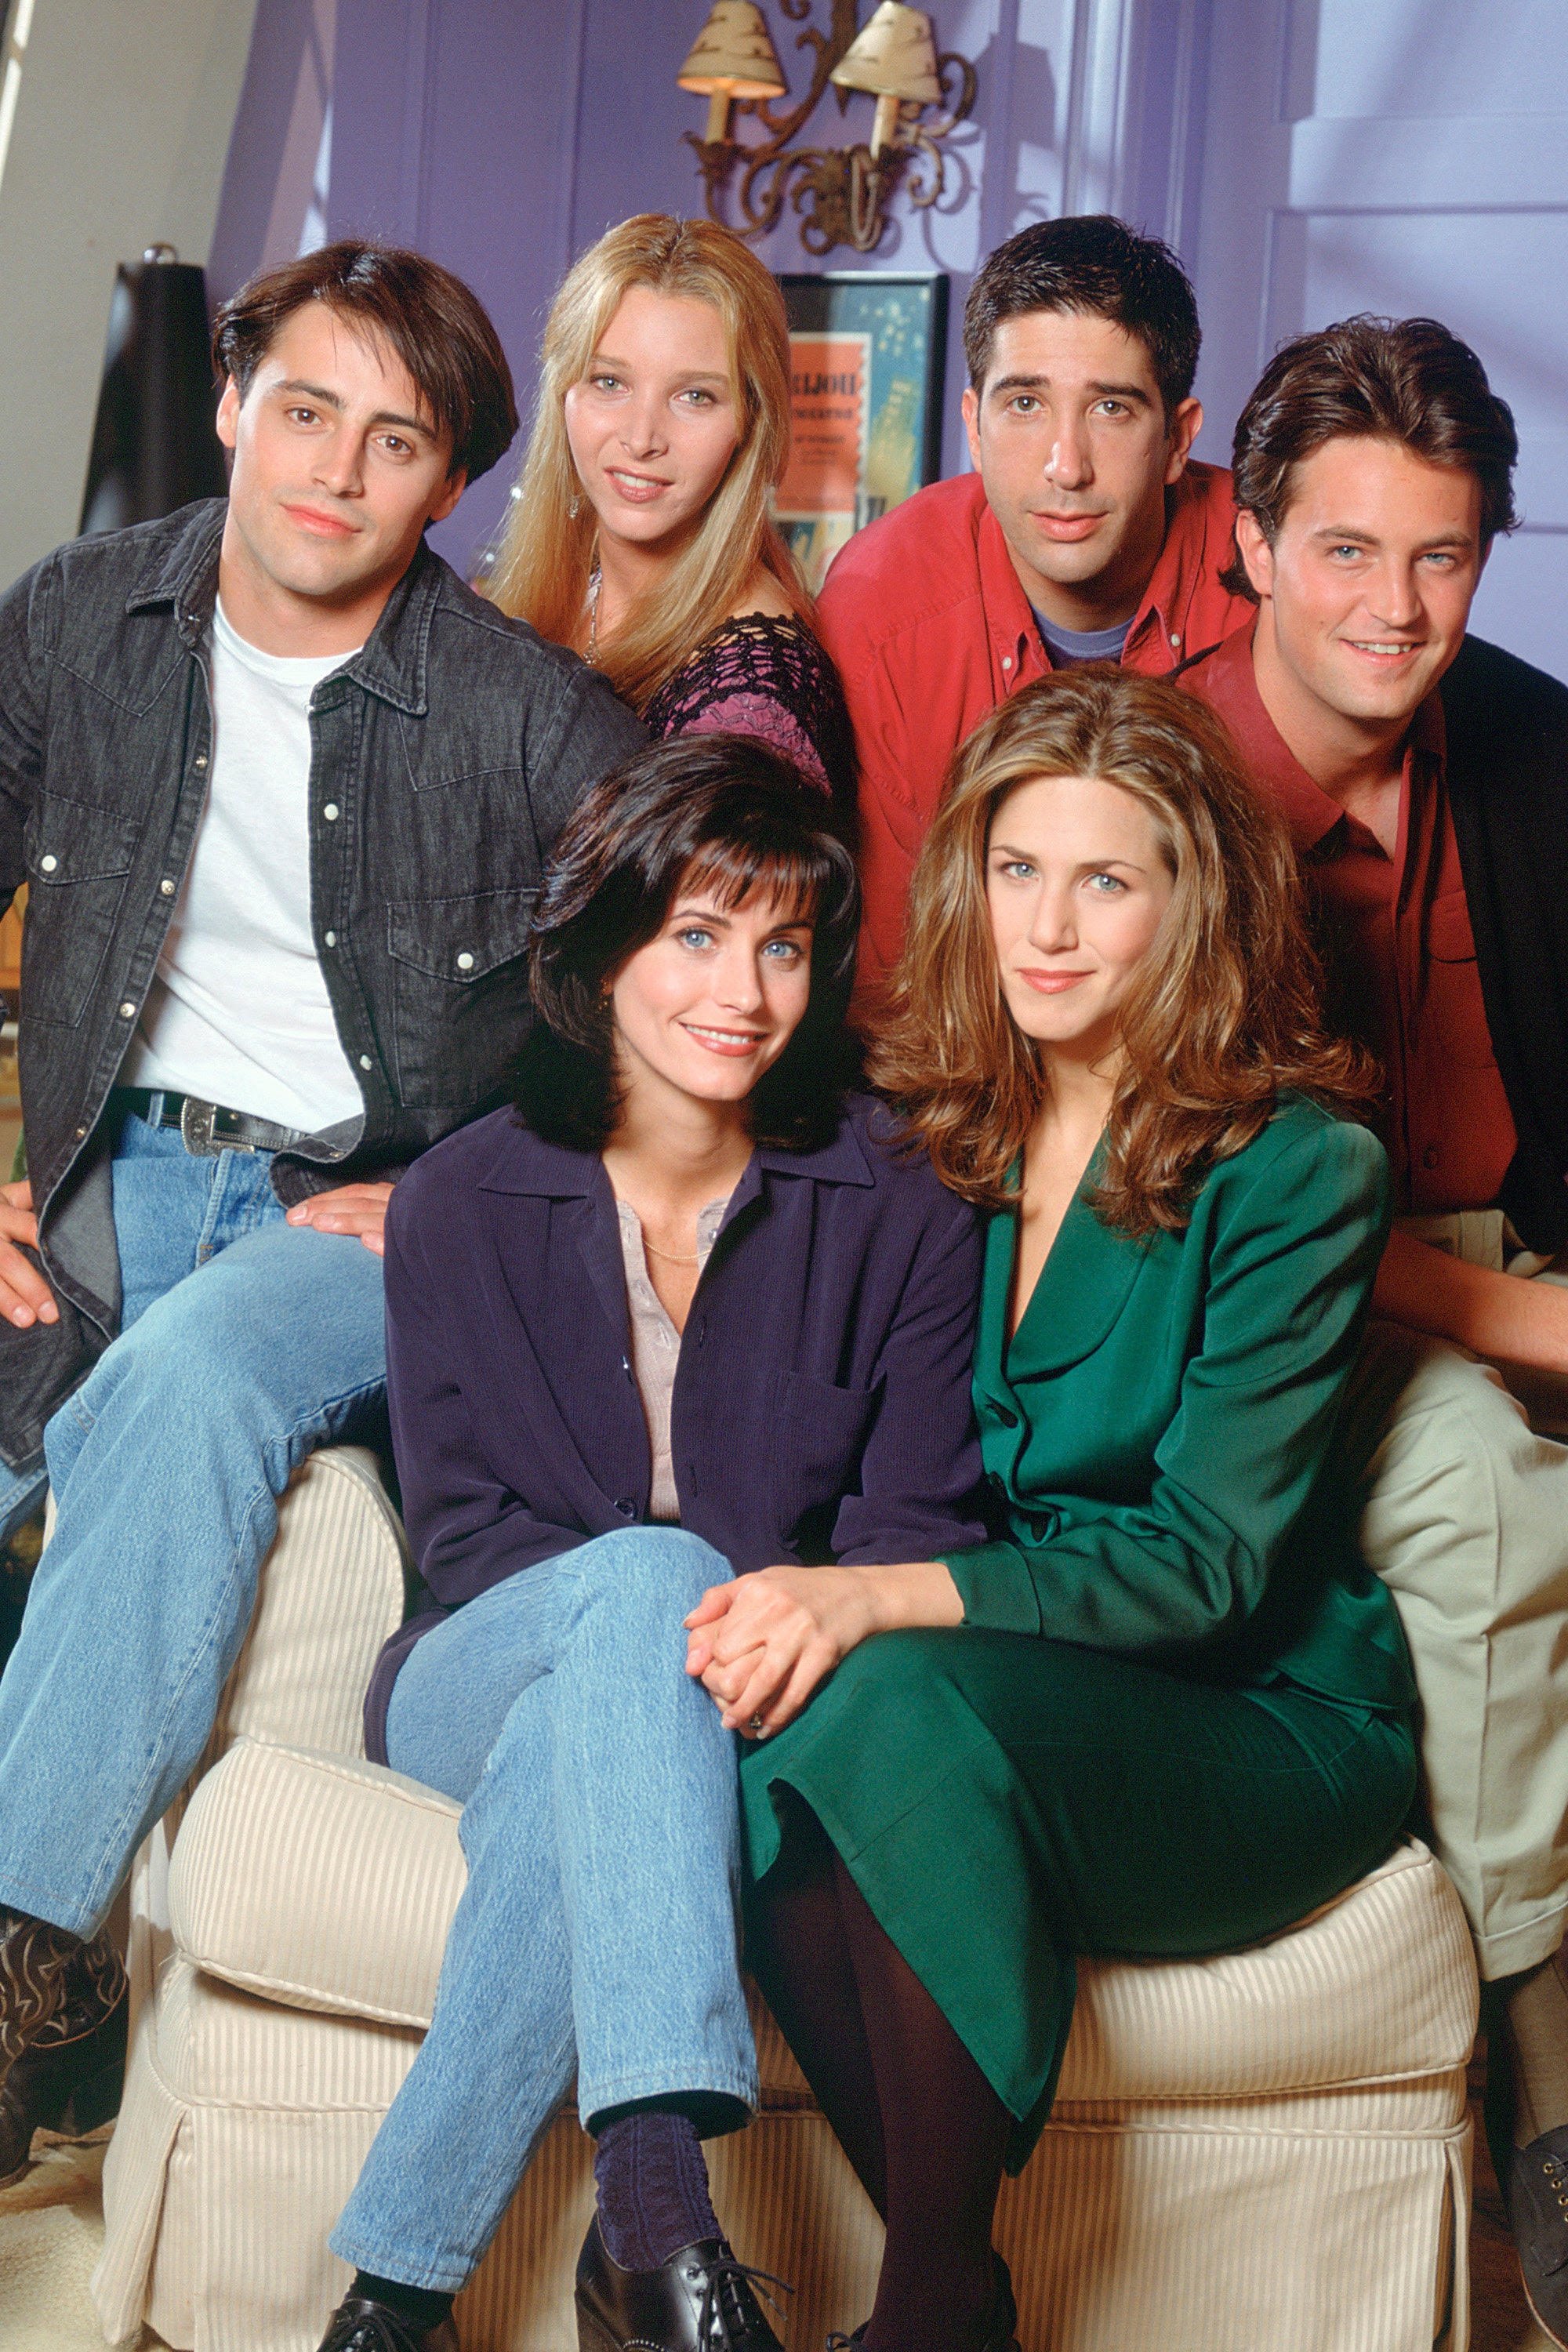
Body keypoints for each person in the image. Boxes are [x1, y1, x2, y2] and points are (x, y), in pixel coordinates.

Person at [0, 240, 642, 2183]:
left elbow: (675, 1022)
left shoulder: (531, 716)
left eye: (393, 441)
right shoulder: (80, 617)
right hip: (103, 1166)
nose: (331, 473)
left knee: (192, 1383)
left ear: (448, 482)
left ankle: (18, 1962)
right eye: (301, 412)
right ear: (229, 401)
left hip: (365, 1221)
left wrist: (457, 1187)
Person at [681, 670, 1418, 2352]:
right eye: (1018, 870)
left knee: (877, 1688)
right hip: (1002, 1687)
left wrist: (877, 1595)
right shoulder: (936, 1127)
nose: (1050, 928)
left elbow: (1206, 1567)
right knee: (756, 1720)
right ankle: (957, 2302)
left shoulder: (1300, 1168)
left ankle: (930, 2300)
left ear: (1195, 904)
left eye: (1107, 881)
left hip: (1255, 1721)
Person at [314, 736, 988, 2352]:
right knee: (649, 1582)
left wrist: (729, 1653)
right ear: (604, 947)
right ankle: (659, 2208)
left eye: (783, 946)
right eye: (696, 935)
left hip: (753, 1690)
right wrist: (674, 1619)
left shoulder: (899, 1196)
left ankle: (398, 2300)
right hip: (478, 1667)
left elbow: (910, 1522)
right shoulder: (461, 1198)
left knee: (594, 1755)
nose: (742, 993)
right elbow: (469, 1534)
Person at [1178, 312, 1568, 2342]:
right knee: (1490, 1493)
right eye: (1344, 550)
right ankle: (1547, 2087)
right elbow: (1221, 1187)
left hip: (1508, 1252)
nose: (1395, 608)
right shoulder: (1144, 786)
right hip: (1255, 1296)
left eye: (1441, 555)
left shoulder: (1528, 749)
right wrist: (1528, 1329)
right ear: (1248, 543)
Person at [814, 214, 1255, 988]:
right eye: (1024, 404)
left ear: (1178, 440)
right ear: (973, 427)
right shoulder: (880, 606)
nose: (1065, 466)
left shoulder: (1268, 577)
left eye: (1110, 408)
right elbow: (899, 978)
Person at [484, 213, 854, 811]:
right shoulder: (565, 595)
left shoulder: (754, 698)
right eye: (609, 382)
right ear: (563, 394)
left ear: (751, 421)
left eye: (694, 396)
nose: (641, 438)